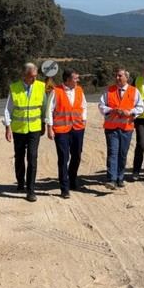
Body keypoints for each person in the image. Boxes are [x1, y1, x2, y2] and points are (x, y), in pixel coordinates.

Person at [3, 62, 48, 202]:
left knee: (32, 157)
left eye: (35, 76)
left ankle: (31, 190)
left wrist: (44, 123)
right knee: (19, 157)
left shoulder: (41, 86)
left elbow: (44, 106)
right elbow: (7, 109)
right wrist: (7, 127)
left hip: (35, 128)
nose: (34, 79)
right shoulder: (14, 88)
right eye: (31, 76)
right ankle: (20, 181)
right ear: (24, 75)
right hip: (19, 129)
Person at [99, 67, 144, 189]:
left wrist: (130, 112)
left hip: (126, 128)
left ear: (126, 77)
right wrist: (112, 110)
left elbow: (140, 107)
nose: (117, 78)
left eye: (120, 76)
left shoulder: (134, 91)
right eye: (116, 76)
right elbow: (101, 106)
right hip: (111, 128)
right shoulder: (108, 91)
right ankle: (111, 179)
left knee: (122, 154)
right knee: (113, 153)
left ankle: (120, 177)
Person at [46, 68, 87, 199]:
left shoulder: (79, 90)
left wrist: (84, 120)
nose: (78, 80)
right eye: (75, 78)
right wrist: (49, 128)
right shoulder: (56, 91)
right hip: (61, 130)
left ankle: (72, 179)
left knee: (77, 156)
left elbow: (84, 106)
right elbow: (49, 110)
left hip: (78, 128)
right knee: (63, 158)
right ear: (68, 79)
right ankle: (64, 188)